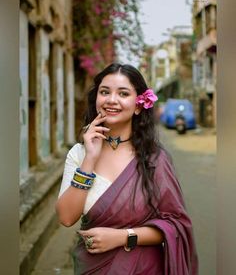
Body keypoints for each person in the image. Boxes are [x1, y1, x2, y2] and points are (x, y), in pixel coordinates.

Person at [56, 63, 198, 275]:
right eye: (105, 92)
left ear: (139, 105)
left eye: (123, 93)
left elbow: (175, 226)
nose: (111, 100)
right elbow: (67, 217)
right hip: (93, 268)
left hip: (145, 268)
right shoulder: (79, 154)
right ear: (97, 99)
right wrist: (90, 159)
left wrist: (123, 237)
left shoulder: (154, 159)